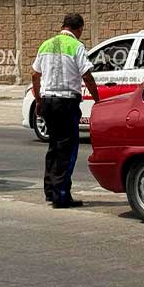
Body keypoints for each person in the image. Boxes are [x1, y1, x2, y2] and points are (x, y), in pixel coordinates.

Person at [32, 14, 101, 209]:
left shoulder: (46, 45)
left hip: (48, 102)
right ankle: (61, 194)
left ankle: (50, 191)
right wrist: (98, 100)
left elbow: (35, 74)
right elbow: (87, 76)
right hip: (66, 103)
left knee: (54, 147)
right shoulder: (76, 46)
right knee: (67, 150)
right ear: (78, 29)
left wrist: (38, 101)